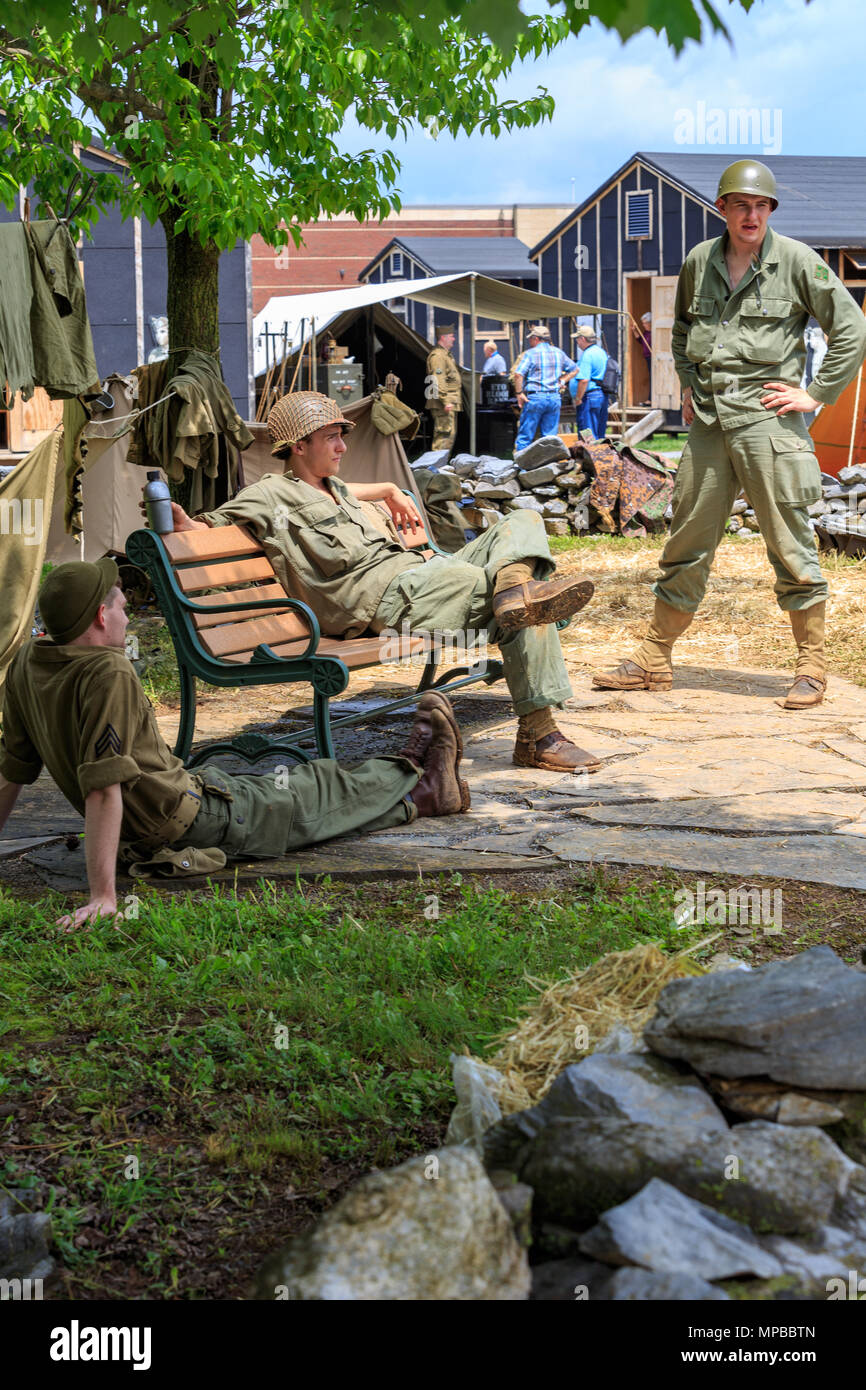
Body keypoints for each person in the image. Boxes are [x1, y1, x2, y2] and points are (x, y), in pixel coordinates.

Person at [0, 559, 471, 929]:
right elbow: (103, 788)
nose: (127, 618)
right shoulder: (107, 671)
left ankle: (424, 794)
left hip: (174, 807)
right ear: (102, 616)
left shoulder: (27, 664)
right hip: (195, 823)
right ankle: (411, 769)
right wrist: (103, 896)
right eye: (123, 608)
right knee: (319, 786)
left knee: (303, 803)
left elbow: (11, 771)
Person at [163, 391, 602, 774]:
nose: (342, 445)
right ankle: (539, 732)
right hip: (385, 598)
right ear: (299, 446)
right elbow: (211, 526)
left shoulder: (334, 487)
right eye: (331, 437)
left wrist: (390, 488)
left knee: (523, 521)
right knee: (505, 594)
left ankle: (513, 589)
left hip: (418, 575)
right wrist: (181, 523)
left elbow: (355, 489)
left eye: (342, 435)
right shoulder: (270, 494)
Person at [593, 158, 866, 709]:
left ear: (771, 211)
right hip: (711, 424)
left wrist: (816, 395)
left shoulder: (797, 262)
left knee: (790, 544)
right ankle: (653, 658)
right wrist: (689, 384)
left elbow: (852, 327)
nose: (752, 215)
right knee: (686, 541)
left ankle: (811, 667)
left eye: (762, 206)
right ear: (722, 208)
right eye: (742, 205)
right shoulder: (700, 260)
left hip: (769, 424)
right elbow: (684, 330)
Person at [512, 325, 578, 455]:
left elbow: (518, 375)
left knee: (526, 435)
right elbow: (575, 369)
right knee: (549, 438)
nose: (530, 341)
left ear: (536, 338)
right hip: (554, 397)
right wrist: (562, 381)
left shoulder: (531, 353)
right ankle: (548, 464)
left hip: (535, 397)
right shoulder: (559, 352)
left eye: (531, 338)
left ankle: (521, 464)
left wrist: (519, 393)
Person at [566, 326, 609, 439]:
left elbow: (584, 380)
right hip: (601, 395)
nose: (577, 342)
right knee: (599, 433)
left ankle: (589, 450)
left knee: (588, 434)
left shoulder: (587, 354)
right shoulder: (601, 352)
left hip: (589, 397)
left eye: (577, 339)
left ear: (583, 339)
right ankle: (599, 450)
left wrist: (578, 398)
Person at [425, 323, 462, 452]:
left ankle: (441, 463)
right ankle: (436, 464)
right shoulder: (438, 356)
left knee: (448, 437)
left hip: (449, 402)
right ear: (443, 337)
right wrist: (445, 401)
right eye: (451, 336)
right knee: (443, 437)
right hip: (443, 403)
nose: (454, 339)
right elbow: (438, 379)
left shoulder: (445, 355)